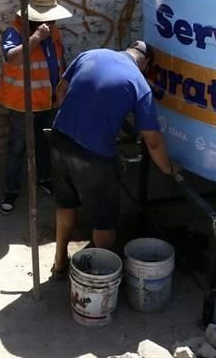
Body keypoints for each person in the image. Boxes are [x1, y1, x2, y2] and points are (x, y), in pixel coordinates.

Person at [49, 40, 177, 278]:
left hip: (59, 140)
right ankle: (99, 276)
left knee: (66, 204)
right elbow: (153, 141)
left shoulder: (90, 53)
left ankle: (59, 263)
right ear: (146, 64)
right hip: (94, 156)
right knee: (104, 218)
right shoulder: (139, 83)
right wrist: (168, 169)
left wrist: (78, 118)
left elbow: (59, 92)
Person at [0, 0, 73, 215]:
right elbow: (12, 59)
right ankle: (11, 192)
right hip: (22, 104)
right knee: (17, 149)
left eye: (52, 20)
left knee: (46, 145)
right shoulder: (15, 31)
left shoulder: (53, 30)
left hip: (49, 102)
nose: (50, 24)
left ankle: (45, 180)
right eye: (45, 21)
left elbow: (60, 61)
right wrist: (36, 38)